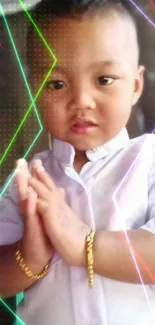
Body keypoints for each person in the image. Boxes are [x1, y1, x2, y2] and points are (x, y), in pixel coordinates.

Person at [0, 0, 155, 324]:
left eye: (104, 80)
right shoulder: (29, 182)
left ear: (136, 85)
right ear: (35, 89)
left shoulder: (149, 160)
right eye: (57, 84)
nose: (82, 100)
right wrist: (28, 255)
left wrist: (85, 243)